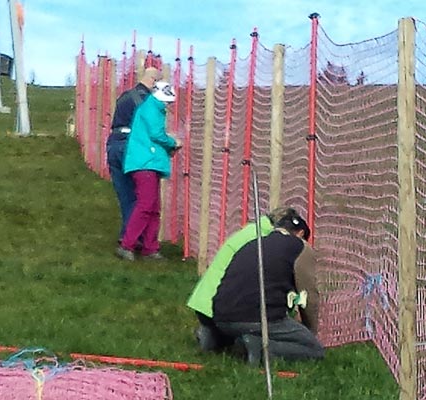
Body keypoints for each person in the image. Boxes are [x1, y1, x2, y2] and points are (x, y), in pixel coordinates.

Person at [196, 211, 324, 364]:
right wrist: (310, 332)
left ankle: (215, 337)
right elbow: (308, 295)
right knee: (315, 350)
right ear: (301, 233)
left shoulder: (253, 243)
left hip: (220, 316)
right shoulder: (301, 247)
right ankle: (262, 349)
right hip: (256, 318)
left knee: (243, 327)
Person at [187, 207, 300, 351]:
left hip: (203, 302)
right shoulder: (265, 240)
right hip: (224, 304)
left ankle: (212, 335)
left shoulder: (251, 231)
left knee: (219, 343)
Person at [116, 81, 180, 261]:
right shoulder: (153, 109)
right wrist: (173, 143)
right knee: (146, 205)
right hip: (146, 163)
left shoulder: (151, 107)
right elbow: (156, 134)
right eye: (167, 101)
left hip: (147, 162)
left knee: (152, 207)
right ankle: (128, 244)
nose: (168, 105)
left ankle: (149, 247)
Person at [106, 67, 162, 245]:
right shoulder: (147, 101)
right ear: (153, 81)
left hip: (113, 143)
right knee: (142, 197)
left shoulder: (125, 96)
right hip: (131, 146)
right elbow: (150, 128)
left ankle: (128, 235)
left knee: (125, 195)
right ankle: (135, 239)